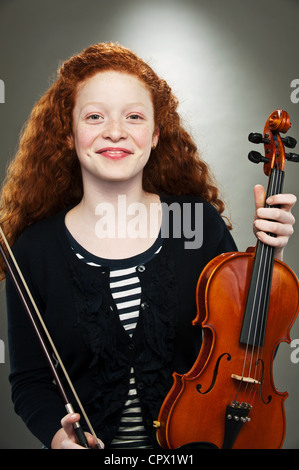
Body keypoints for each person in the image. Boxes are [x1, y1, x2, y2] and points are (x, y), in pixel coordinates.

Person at [0, 43, 296, 450]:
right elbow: (30, 381)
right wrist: (57, 438)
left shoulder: (194, 223)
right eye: (94, 116)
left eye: (134, 117)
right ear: (69, 135)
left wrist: (270, 260)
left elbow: (248, 347)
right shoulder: (35, 250)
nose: (115, 131)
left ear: (155, 135)